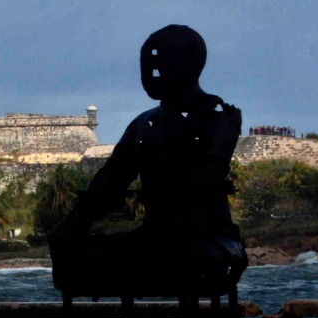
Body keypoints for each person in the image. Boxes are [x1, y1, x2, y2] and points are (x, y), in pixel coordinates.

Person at [48, 25, 245, 289]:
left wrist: (220, 147)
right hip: (156, 237)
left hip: (205, 237)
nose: (152, 75)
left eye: (160, 65)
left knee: (191, 256)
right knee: (72, 251)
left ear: (187, 65)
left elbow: (203, 188)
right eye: (148, 66)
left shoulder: (219, 118)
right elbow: (108, 183)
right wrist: (70, 227)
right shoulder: (144, 125)